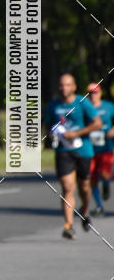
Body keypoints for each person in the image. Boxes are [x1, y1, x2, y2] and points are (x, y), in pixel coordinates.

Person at [44, 73, 101, 239]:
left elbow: (97, 123)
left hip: (83, 150)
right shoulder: (53, 105)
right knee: (68, 187)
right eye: (61, 85)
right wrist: (52, 134)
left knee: (84, 187)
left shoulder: (83, 103)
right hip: (63, 151)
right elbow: (48, 125)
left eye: (67, 85)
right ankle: (68, 226)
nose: (64, 88)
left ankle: (84, 210)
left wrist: (76, 133)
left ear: (74, 87)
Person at [86, 82, 114, 215]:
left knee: (104, 174)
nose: (93, 96)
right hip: (89, 150)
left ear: (100, 93)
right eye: (90, 93)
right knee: (91, 178)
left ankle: (107, 184)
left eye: (95, 92)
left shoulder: (108, 107)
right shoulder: (84, 107)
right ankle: (99, 205)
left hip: (105, 148)